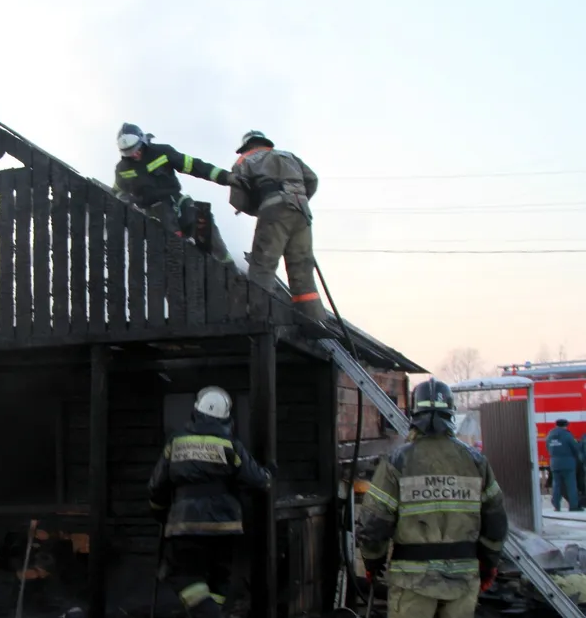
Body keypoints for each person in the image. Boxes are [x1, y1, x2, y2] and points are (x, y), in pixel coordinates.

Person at [356, 378, 509, 618]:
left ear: (414, 413)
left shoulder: (398, 461)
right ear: (451, 413)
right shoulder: (476, 461)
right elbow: (496, 521)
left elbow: (374, 522)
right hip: (463, 580)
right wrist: (489, 564)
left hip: (411, 582)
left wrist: (372, 561)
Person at [148, 386, 274, 618]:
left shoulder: (176, 442)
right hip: (225, 527)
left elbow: (157, 485)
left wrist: (159, 511)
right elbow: (259, 481)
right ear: (226, 417)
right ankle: (211, 612)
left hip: (186, 524)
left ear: (196, 412)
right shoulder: (230, 444)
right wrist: (268, 473)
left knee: (181, 575)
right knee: (218, 579)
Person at [230, 130, 327, 334]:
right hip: (301, 211)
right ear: (265, 143)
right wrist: (298, 198)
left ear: (247, 146)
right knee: (301, 267)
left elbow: (237, 199)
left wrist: (262, 208)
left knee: (262, 265)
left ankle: (259, 317)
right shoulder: (288, 155)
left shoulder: (244, 161)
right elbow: (312, 179)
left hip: (273, 210)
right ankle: (312, 321)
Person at [114, 123, 241, 271]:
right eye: (129, 152)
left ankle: (228, 267)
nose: (134, 154)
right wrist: (126, 199)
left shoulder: (162, 152)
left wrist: (225, 177)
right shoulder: (122, 169)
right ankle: (184, 268)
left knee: (202, 220)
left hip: (176, 201)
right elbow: (117, 191)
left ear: (142, 141)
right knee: (170, 237)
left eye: (136, 149)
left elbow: (195, 166)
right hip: (152, 212)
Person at [546, 418, 583, 511]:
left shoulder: (550, 435)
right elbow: (575, 448)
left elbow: (547, 447)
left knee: (556, 484)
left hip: (554, 463)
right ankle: (574, 506)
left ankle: (556, 505)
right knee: (571, 485)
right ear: (566, 425)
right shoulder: (567, 435)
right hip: (567, 463)